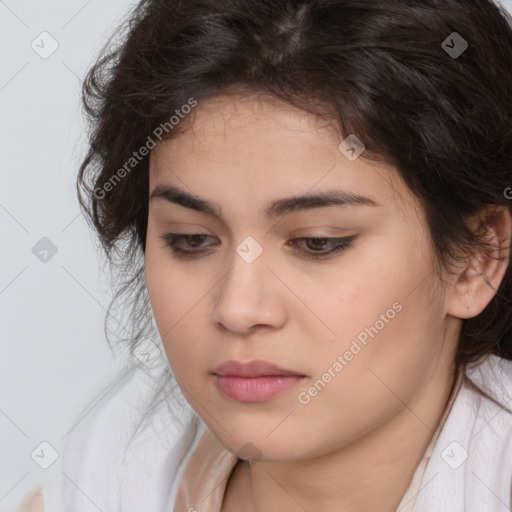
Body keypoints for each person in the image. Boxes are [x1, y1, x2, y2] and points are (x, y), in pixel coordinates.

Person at [16, 0, 512, 510]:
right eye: (191, 239)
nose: (238, 308)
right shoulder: (91, 484)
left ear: (477, 258)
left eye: (318, 242)